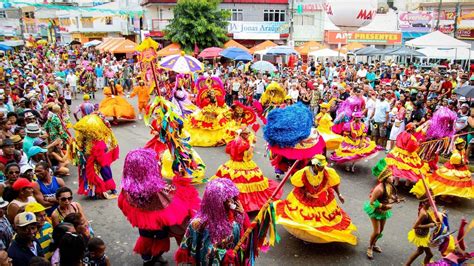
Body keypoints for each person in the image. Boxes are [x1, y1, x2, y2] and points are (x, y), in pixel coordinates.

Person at [118, 148, 200, 265]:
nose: (157, 164)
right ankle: (154, 257)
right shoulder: (156, 189)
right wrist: (181, 181)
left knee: (146, 237)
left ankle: (148, 259)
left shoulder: (127, 188)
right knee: (160, 236)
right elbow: (174, 197)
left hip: (142, 221)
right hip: (157, 221)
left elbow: (124, 204)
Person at [275, 155, 356, 245]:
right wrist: (305, 193)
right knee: (305, 218)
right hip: (305, 199)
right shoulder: (303, 172)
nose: (322, 168)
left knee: (323, 220)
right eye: (320, 166)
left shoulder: (328, 172)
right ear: (314, 165)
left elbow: (334, 184)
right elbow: (298, 186)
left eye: (323, 166)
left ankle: (314, 236)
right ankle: (306, 236)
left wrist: (339, 194)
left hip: (322, 197)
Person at [175, 178, 249, 265]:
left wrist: (242, 214)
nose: (231, 202)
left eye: (232, 197)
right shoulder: (197, 223)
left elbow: (244, 240)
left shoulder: (235, 223)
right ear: (217, 203)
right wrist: (226, 255)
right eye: (227, 199)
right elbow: (206, 251)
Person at [212, 127, 281, 212]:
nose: (249, 134)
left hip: (232, 163)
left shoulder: (234, 141)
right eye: (247, 133)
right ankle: (243, 204)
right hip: (244, 164)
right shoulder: (243, 144)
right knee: (245, 185)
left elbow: (229, 151)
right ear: (242, 134)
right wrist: (252, 144)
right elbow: (248, 153)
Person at [364, 159, 403, 260]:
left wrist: (396, 199)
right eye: (390, 176)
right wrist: (384, 206)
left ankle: (374, 243)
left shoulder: (389, 185)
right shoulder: (379, 189)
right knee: (376, 231)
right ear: (386, 178)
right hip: (375, 210)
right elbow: (372, 202)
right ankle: (370, 247)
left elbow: (390, 195)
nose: (393, 177)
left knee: (381, 230)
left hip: (384, 211)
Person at [73, 114, 119, 199]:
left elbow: (80, 144)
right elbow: (108, 140)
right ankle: (111, 189)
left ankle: (93, 192)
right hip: (98, 153)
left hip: (89, 154)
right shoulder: (101, 129)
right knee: (105, 170)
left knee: (92, 172)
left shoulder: (83, 131)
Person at [405, 191, 438, 266]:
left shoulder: (426, 209)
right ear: (426, 202)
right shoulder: (423, 213)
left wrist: (435, 221)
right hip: (421, 236)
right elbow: (415, 226)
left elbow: (429, 219)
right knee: (425, 253)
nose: (434, 201)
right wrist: (429, 225)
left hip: (424, 234)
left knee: (426, 253)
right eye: (432, 200)